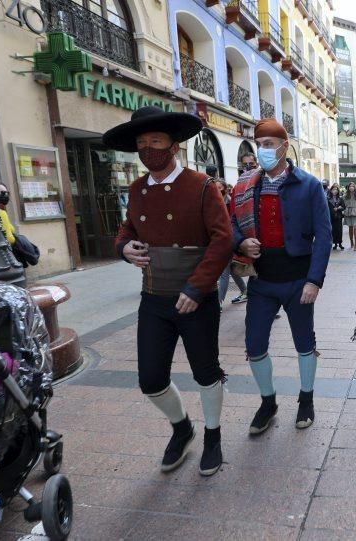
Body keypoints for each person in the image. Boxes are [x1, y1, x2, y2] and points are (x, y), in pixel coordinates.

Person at [105, 106, 233, 476]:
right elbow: (127, 230)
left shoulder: (202, 186)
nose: (148, 150)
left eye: (155, 141)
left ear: (174, 146)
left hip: (197, 299)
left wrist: (198, 287)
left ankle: (213, 435)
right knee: (150, 379)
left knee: (206, 372)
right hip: (154, 298)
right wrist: (123, 248)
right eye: (141, 144)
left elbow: (222, 241)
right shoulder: (137, 189)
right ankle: (182, 428)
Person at [230, 118, 332, 435]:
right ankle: (268, 401)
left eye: (269, 145)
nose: (262, 150)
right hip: (261, 281)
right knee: (255, 343)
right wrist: (240, 242)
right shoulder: (245, 186)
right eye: (259, 144)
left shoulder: (310, 185)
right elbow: (231, 223)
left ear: (285, 147)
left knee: (304, 342)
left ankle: (306, 399)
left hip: (298, 278)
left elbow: (324, 236)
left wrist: (314, 281)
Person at [213, 179, 248, 305]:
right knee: (232, 270)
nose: (216, 189)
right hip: (218, 240)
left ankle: (218, 303)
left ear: (224, 188)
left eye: (219, 187)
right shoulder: (213, 201)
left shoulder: (228, 201)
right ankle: (245, 291)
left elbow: (232, 221)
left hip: (228, 240)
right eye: (214, 187)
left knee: (224, 271)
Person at [343, 182, 356, 251]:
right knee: (350, 228)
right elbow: (344, 204)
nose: (351, 187)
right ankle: (351, 242)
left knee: (355, 228)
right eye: (350, 186)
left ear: (354, 187)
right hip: (348, 212)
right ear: (348, 187)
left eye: (353, 186)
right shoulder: (345, 195)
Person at [328, 184, 346, 250]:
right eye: (333, 189)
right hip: (331, 216)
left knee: (339, 230)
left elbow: (344, 207)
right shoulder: (328, 198)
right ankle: (335, 244)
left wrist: (338, 208)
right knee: (333, 230)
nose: (335, 191)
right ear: (331, 190)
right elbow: (326, 208)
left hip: (338, 216)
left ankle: (340, 243)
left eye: (336, 190)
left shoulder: (340, 198)